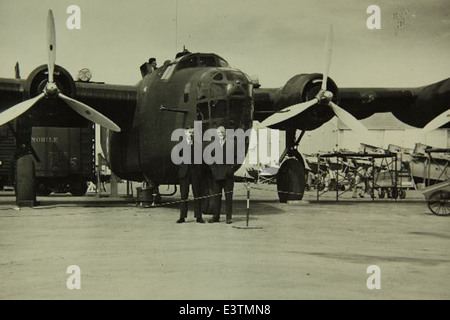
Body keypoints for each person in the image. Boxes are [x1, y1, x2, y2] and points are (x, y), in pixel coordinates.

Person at [177, 127, 205, 223]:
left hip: (195, 173)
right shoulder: (181, 144)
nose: (191, 134)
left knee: (197, 195)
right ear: (185, 133)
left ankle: (199, 216)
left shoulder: (198, 145)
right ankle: (182, 217)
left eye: (193, 132)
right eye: (189, 132)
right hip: (184, 173)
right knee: (183, 195)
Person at [209, 126, 234, 224]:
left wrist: (231, 169)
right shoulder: (213, 145)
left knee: (228, 197)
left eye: (222, 132)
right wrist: (213, 169)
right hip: (217, 175)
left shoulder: (232, 144)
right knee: (216, 197)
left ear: (225, 133)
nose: (221, 134)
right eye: (219, 133)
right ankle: (216, 216)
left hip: (228, 176)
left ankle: (228, 217)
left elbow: (238, 158)